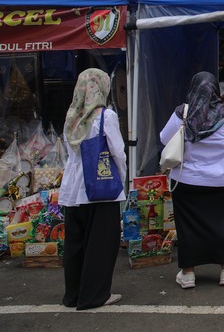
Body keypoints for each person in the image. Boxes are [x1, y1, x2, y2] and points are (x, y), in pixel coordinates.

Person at [160, 71, 224, 289]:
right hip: (221, 181)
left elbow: (163, 138)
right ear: (215, 89)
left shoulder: (182, 113)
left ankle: (187, 274)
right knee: (221, 224)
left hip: (187, 181)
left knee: (187, 227)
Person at [60, 68, 126, 310]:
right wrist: (121, 180)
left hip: (72, 189)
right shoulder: (105, 116)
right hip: (100, 189)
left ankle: (73, 295)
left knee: (75, 245)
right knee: (100, 244)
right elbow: (117, 152)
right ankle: (95, 295)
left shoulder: (72, 116)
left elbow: (71, 152)